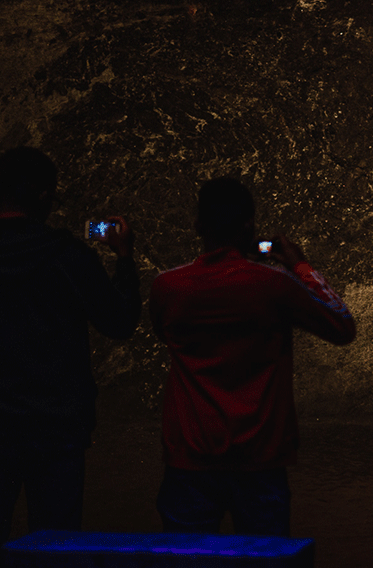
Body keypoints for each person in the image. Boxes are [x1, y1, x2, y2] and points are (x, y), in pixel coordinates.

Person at [0, 146, 140, 568]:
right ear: (44, 196)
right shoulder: (69, 256)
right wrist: (124, 259)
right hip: (56, 429)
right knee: (55, 551)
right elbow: (120, 321)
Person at [149, 177, 356, 536]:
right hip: (259, 455)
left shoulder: (168, 287)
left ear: (199, 225)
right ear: (249, 227)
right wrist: (301, 267)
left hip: (190, 454)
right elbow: (341, 326)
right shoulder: (273, 285)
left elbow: (161, 331)